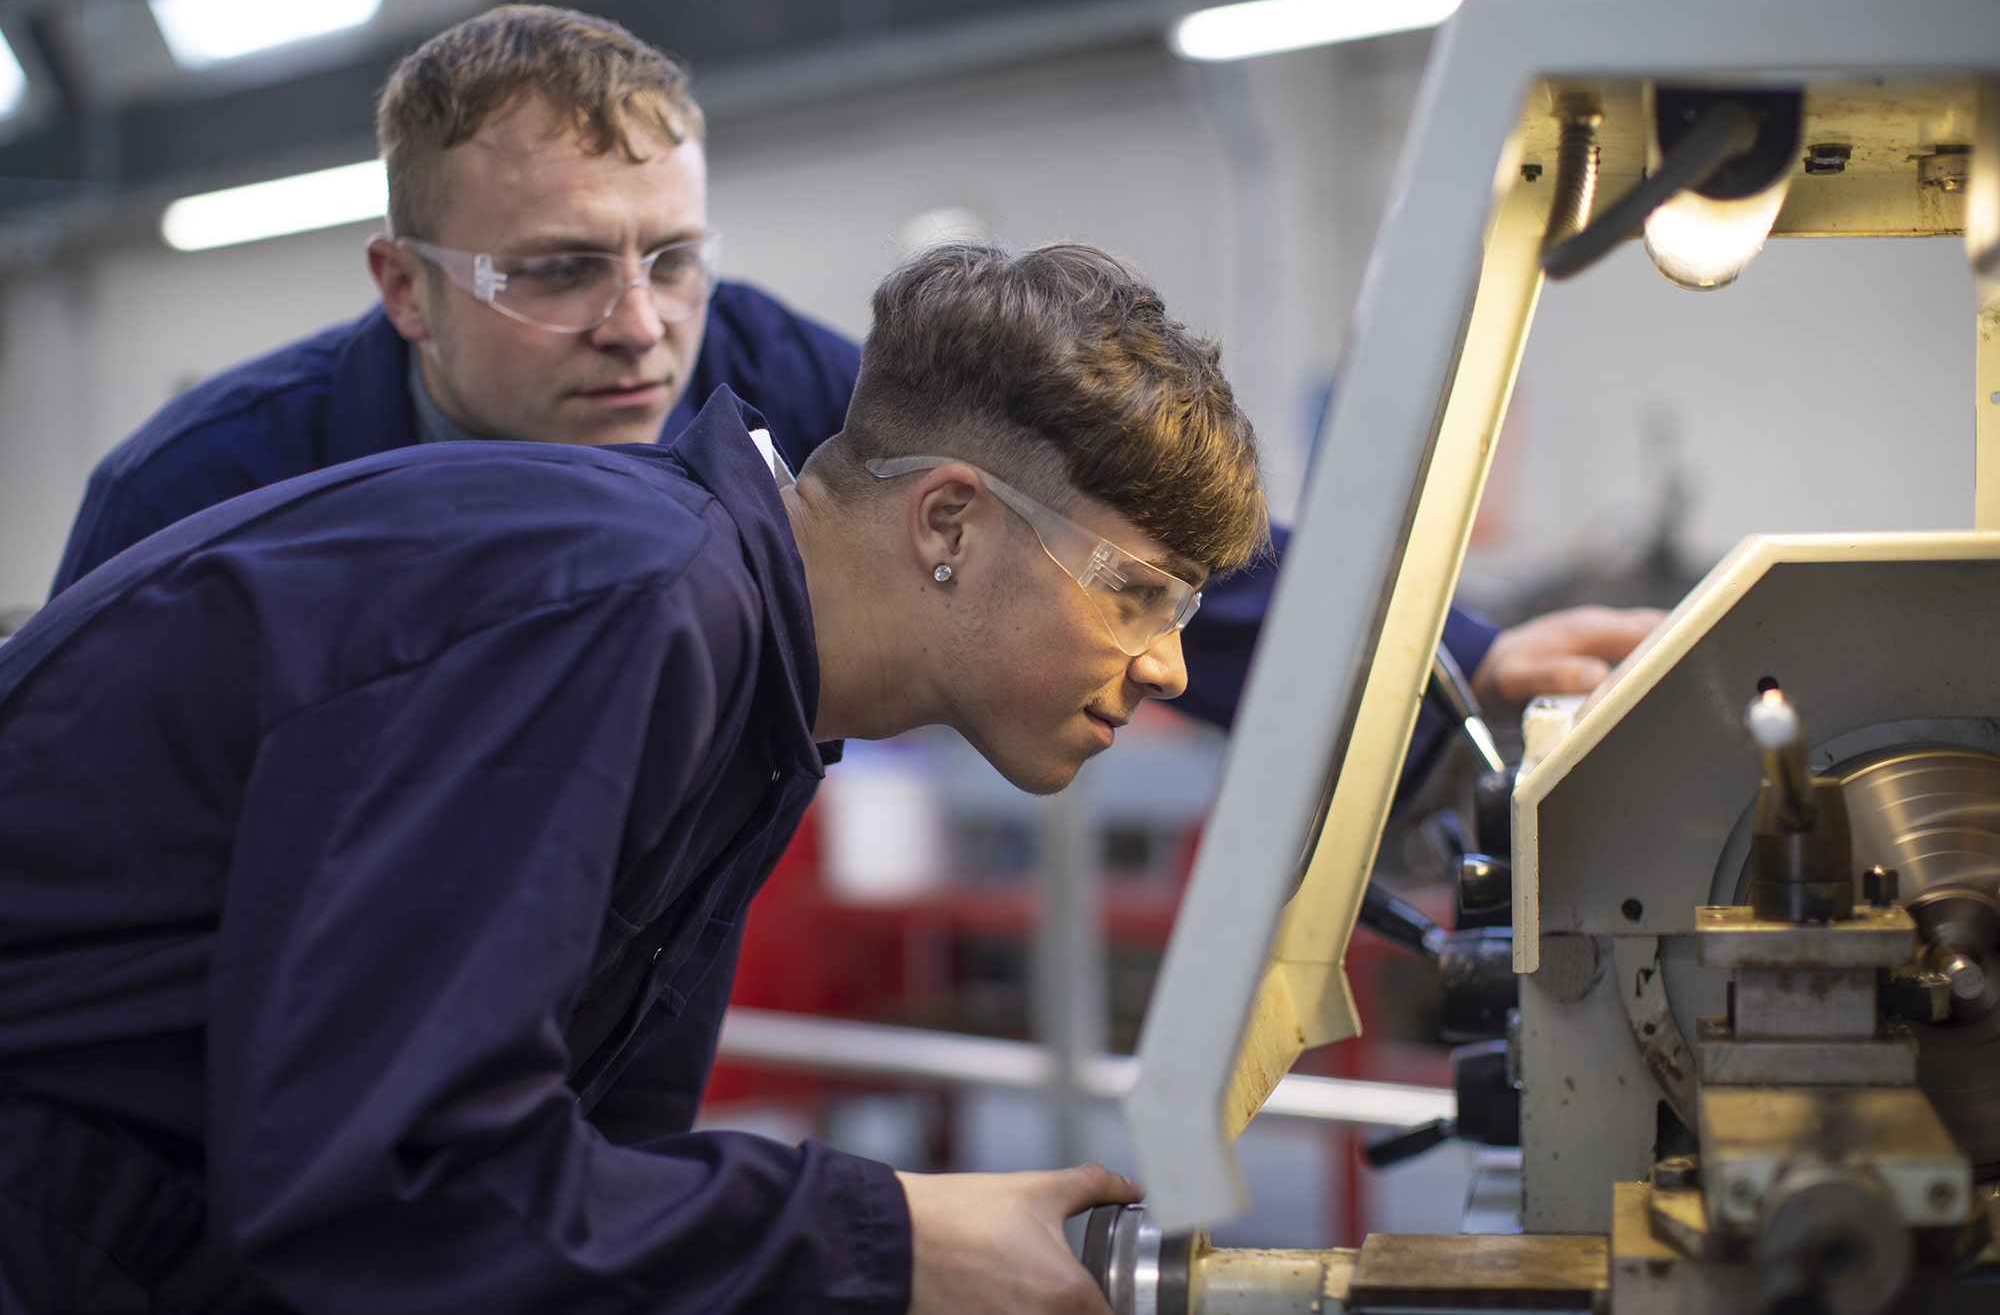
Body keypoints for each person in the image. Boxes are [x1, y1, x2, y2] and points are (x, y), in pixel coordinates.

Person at [0, 241, 1257, 1311]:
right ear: (946, 522)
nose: (1170, 670)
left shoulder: (750, 675)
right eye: (1135, 593)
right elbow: (390, 1174)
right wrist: (890, 1239)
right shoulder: (632, 607)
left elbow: (572, 1151)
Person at [44, 3, 1659, 763]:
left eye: (668, 255)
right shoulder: (200, 502)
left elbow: (1113, 539)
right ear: (402, 285)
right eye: (555, 271)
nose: (639, 326)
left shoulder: (759, 372)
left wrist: (1459, 653)